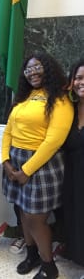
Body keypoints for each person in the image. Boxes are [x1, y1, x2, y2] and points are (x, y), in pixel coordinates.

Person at [2, 52, 73, 278]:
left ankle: (48, 264)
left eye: (37, 67)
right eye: (28, 69)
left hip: (43, 164)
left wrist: (26, 170)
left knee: (35, 217)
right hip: (15, 160)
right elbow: (9, 131)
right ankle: (31, 254)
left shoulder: (60, 99)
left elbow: (54, 140)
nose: (32, 72)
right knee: (23, 211)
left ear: (48, 68)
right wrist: (5, 160)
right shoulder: (23, 98)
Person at [62, 59, 84, 267]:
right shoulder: (69, 110)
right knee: (74, 216)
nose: (81, 82)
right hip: (71, 176)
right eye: (78, 78)